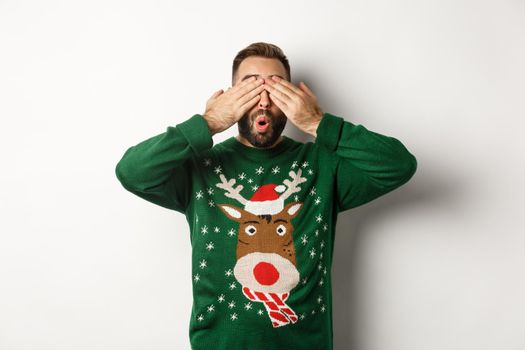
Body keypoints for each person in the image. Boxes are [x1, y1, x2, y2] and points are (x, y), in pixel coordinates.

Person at [115, 42, 417, 350]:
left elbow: (399, 165)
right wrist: (207, 124)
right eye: (249, 88)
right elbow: (131, 172)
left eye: (275, 88)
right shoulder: (199, 168)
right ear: (230, 98)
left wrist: (318, 122)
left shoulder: (323, 166)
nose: (262, 101)